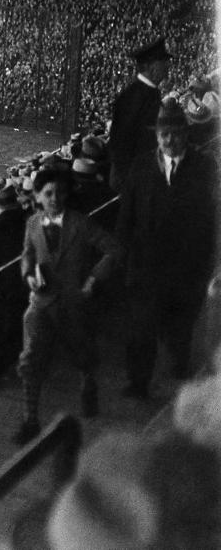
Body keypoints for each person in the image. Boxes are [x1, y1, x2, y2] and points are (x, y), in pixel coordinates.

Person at [117, 98, 217, 398]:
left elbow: (211, 220)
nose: (170, 140)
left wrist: (206, 265)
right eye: (164, 134)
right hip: (146, 268)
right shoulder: (141, 167)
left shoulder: (204, 167)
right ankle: (138, 382)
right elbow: (126, 218)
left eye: (175, 133)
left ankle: (180, 364)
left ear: (186, 134)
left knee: (181, 323)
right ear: (156, 136)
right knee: (141, 329)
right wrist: (126, 260)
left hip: (186, 268)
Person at [14, 168, 122, 445]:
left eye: (60, 192)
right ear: (37, 196)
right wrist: (28, 276)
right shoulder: (32, 224)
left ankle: (88, 383)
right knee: (31, 358)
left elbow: (114, 248)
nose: (54, 198)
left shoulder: (80, 223)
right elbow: (27, 256)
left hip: (74, 303)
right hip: (42, 303)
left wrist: (93, 279)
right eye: (48, 193)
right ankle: (30, 419)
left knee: (82, 353)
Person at [109, 38, 171, 192]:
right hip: (135, 179)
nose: (168, 66)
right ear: (151, 66)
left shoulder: (148, 93)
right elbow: (121, 142)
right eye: (163, 61)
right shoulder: (133, 97)